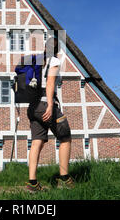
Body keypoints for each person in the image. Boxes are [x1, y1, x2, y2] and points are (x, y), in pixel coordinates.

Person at [26, 37, 75, 192]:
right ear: (57, 49)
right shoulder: (53, 60)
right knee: (65, 137)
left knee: (36, 142)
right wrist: (50, 105)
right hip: (44, 104)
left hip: (32, 107)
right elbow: (50, 83)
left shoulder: (36, 62)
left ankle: (32, 183)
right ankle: (65, 179)